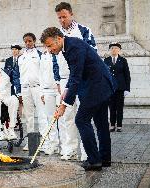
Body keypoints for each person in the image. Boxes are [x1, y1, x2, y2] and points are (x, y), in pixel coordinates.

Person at [40, 27, 114, 171]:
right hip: (102, 85)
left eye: (50, 45)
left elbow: (76, 77)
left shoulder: (73, 48)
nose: (49, 50)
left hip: (96, 86)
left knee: (81, 120)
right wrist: (66, 90)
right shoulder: (70, 46)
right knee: (101, 123)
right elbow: (74, 73)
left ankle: (94, 160)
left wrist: (63, 105)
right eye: (47, 47)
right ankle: (104, 158)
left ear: (59, 38)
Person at [55, 2, 97, 161]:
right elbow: (54, 59)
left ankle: (86, 153)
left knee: (84, 117)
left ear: (71, 14)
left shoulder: (84, 31)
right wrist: (58, 80)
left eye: (64, 16)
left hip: (82, 79)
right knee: (67, 117)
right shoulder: (57, 34)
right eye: (59, 17)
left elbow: (92, 54)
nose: (62, 20)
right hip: (65, 79)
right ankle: (70, 149)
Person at [14, 32, 48, 151]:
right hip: (25, 89)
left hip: (37, 87)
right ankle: (30, 142)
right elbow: (17, 75)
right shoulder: (20, 57)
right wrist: (19, 92)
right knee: (29, 116)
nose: (28, 43)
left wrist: (43, 91)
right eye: (26, 41)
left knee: (42, 115)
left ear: (34, 41)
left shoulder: (40, 54)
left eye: (30, 41)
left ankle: (44, 142)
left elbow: (44, 73)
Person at [104, 43, 131, 132]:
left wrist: (127, 89)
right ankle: (112, 125)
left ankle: (119, 125)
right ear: (110, 50)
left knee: (119, 107)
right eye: (112, 48)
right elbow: (104, 75)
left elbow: (127, 75)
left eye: (116, 48)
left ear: (119, 50)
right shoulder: (106, 60)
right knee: (111, 107)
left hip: (120, 88)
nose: (114, 50)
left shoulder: (123, 60)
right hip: (110, 88)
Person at [39, 50, 61, 155]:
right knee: (50, 118)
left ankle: (65, 146)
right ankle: (53, 144)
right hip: (47, 90)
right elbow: (41, 73)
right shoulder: (43, 56)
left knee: (62, 119)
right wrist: (42, 92)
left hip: (59, 88)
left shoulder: (59, 52)